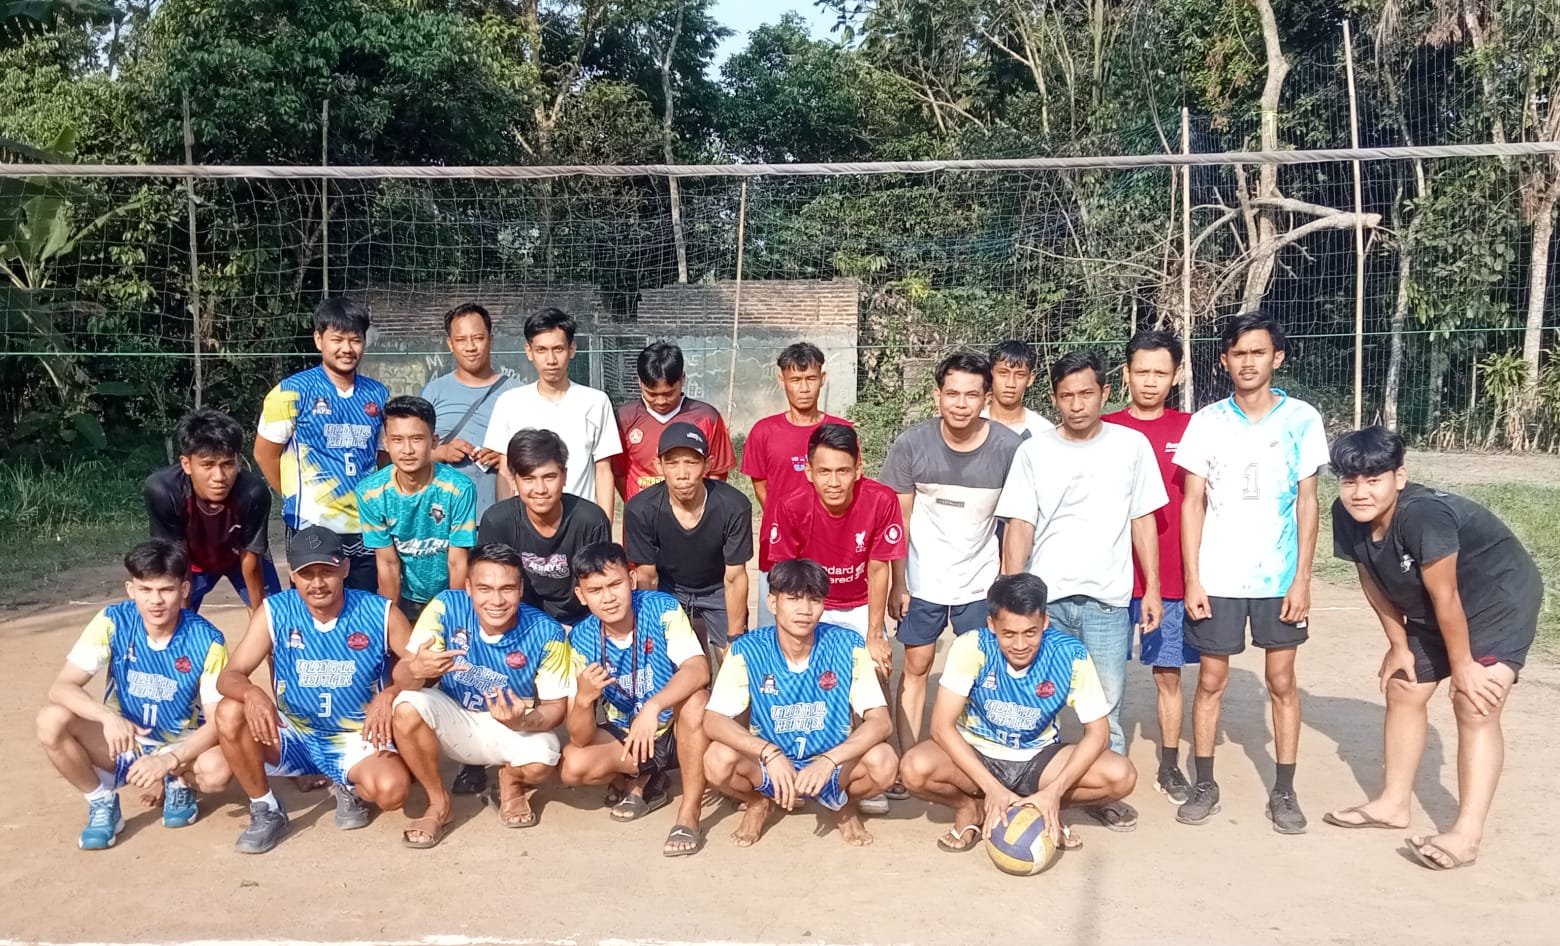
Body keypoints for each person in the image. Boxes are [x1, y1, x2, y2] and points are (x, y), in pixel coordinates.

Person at [1324, 427, 1542, 871]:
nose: (1360, 492)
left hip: (1496, 599)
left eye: (1373, 480)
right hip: (1436, 605)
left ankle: (1467, 833)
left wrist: (1462, 666)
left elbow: (1449, 597)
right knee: (1403, 687)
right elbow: (1370, 576)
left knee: (1474, 703)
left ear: (1399, 477)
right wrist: (1398, 644)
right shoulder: (1346, 514)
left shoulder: (1423, 516)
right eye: (1350, 481)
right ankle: (1392, 804)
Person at [996, 349, 1166, 833]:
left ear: (1105, 393)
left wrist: (1150, 587)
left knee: (1106, 703)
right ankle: (1024, 780)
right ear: (1054, 398)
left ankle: (1104, 791)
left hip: (1107, 602)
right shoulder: (1035, 451)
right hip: (1046, 603)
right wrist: (1012, 590)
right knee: (1033, 695)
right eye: (1067, 396)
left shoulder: (1131, 447)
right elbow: (1020, 524)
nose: (1077, 404)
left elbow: (1143, 520)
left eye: (1086, 393)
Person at [1175, 311, 1328, 835]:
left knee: (1281, 680)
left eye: (1257, 352)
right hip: (1218, 576)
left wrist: (1302, 579)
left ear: (1276, 358)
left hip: (1278, 577)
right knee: (1211, 680)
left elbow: (1309, 503)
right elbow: (1191, 503)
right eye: (1238, 354)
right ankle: (1204, 782)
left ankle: (1284, 790)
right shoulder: (1207, 422)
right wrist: (1193, 578)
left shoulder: (1302, 419)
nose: (1247, 362)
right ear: (1225, 360)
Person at [899, 573, 1137, 853]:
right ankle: (969, 808)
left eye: (1030, 632)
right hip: (977, 753)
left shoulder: (1070, 654)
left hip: (1039, 759)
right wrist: (991, 787)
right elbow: (941, 727)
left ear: (1045, 622)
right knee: (913, 768)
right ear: (991, 624)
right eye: (1009, 634)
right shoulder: (971, 646)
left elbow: (1098, 732)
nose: (1020, 645)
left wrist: (1055, 792)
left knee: (1122, 775)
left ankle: (1040, 807)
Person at [214, 526, 413, 854]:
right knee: (229, 709)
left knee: (393, 791)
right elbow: (230, 676)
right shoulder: (275, 611)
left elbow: (416, 668)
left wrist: (389, 693)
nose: (317, 583)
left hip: (354, 736)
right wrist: (251, 693)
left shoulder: (381, 612)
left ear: (345, 569)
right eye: (307, 574)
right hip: (292, 733)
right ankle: (266, 809)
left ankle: (347, 785)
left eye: (327, 572)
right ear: (293, 575)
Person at [880, 351, 1021, 795]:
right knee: (917, 665)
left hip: (980, 582)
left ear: (986, 398)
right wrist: (898, 583)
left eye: (972, 395)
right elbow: (895, 522)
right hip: (922, 580)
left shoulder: (1010, 449)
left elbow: (1017, 521)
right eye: (952, 393)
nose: (961, 403)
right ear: (937, 395)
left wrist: (1008, 582)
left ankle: (975, 760)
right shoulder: (911, 445)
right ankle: (906, 760)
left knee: (979, 670)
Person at [37, 540, 232, 849]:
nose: (156, 601)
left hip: (181, 746)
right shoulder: (113, 621)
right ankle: (101, 802)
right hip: (125, 742)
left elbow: (220, 721)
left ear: (184, 590)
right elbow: (61, 687)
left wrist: (171, 760)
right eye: (145, 590)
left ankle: (178, 782)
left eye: (166, 590)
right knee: (51, 720)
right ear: (131, 589)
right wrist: (106, 717)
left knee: (218, 770)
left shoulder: (207, 640)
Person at [703, 558, 898, 847]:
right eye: (793, 599)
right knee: (716, 760)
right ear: (772, 602)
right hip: (770, 764)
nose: (805, 610)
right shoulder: (747, 649)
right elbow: (713, 720)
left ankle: (841, 802)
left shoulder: (848, 645)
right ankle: (758, 802)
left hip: (831, 765)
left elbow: (880, 722)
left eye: (815, 600)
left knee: (885, 762)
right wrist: (768, 752)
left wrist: (830, 761)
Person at [391, 544, 574, 846]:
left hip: (510, 726)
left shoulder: (547, 632)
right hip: (455, 717)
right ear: (468, 588)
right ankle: (438, 803)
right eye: (484, 589)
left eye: (507, 589)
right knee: (406, 705)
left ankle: (511, 782)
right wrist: (417, 668)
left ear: (521, 588)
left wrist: (524, 721)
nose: (496, 600)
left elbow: (556, 708)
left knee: (544, 758)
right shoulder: (445, 607)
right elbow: (401, 679)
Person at [465, 428, 610, 794]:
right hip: (521, 618)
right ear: (513, 479)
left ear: (564, 473)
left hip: (578, 618)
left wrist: (585, 632)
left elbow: (599, 585)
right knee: (483, 653)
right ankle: (476, 755)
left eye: (549, 476)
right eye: (528, 478)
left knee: (601, 663)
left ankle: (603, 747)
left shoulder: (589, 519)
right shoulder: (498, 520)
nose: (540, 488)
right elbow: (491, 584)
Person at [561, 543, 712, 857]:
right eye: (596, 590)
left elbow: (698, 670)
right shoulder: (580, 638)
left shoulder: (661, 608)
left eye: (615, 584)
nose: (608, 597)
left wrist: (654, 706)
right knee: (572, 765)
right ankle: (645, 776)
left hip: (672, 727)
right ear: (581, 595)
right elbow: (579, 736)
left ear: (631, 580)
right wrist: (584, 701)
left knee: (696, 700)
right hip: (628, 736)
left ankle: (689, 812)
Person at [1102, 329, 1198, 803]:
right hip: (1110, 577)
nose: (1151, 381)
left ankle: (1168, 764)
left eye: (1161, 372)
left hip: (1173, 579)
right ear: (1125, 375)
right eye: (1142, 372)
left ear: (1176, 375)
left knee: (1168, 674)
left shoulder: (1193, 430)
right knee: (1099, 677)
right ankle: (1096, 759)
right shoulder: (1103, 428)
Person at [255, 297, 388, 591]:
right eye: (337, 339)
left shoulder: (378, 394)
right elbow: (264, 454)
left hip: (365, 526)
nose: (347, 348)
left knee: (361, 610)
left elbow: (381, 458)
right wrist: (293, 497)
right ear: (319, 339)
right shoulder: (291, 392)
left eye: (355, 340)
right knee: (314, 606)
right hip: (312, 524)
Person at [741, 342, 852, 626]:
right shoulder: (763, 432)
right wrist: (792, 524)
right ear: (782, 380)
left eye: (811, 379)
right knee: (776, 630)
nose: (804, 388)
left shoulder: (841, 430)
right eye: (796, 380)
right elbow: (761, 488)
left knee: (826, 631)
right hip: (778, 548)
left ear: (822, 379)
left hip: (830, 549)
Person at [623, 422, 753, 664]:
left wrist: (735, 639)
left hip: (718, 589)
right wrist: (651, 634)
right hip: (668, 589)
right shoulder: (640, 509)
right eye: (672, 463)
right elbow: (647, 577)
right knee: (665, 663)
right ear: (658, 466)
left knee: (738, 665)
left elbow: (735, 577)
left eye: (692, 462)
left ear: (708, 465)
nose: (682, 474)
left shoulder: (734, 506)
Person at [484, 308, 621, 516]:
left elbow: (603, 471)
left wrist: (603, 530)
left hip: (580, 526)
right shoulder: (509, 403)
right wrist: (509, 527)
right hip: (526, 527)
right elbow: (505, 471)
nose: (551, 360)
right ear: (529, 351)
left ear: (572, 349)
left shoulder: (596, 402)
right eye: (541, 350)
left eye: (558, 349)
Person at [355, 395, 478, 624]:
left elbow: (458, 561)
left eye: (417, 439)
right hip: (405, 598)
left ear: (434, 442)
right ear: (387, 443)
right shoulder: (369, 493)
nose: (408, 450)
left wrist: (457, 617)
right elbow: (388, 564)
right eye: (398, 440)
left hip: (448, 594)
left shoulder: (459, 489)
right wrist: (390, 620)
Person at [144, 408, 280, 612]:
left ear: (238, 461)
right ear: (186, 464)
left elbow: (250, 557)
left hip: (239, 557)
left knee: (273, 616)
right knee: (172, 616)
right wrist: (181, 616)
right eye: (207, 465)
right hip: (190, 561)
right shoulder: (163, 491)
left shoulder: (253, 493)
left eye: (227, 464)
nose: (219, 477)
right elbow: (176, 557)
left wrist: (263, 616)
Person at [420, 302, 516, 518]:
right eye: (461, 340)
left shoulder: (516, 393)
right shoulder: (432, 392)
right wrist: (442, 452)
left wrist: (505, 456)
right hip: (442, 518)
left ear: (491, 340)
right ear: (450, 344)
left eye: (478, 338)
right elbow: (409, 454)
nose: (470, 347)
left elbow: (535, 455)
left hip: (499, 518)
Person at [613, 341, 736, 502]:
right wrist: (638, 505)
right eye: (651, 394)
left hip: (693, 515)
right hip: (642, 519)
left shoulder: (707, 417)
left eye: (669, 393)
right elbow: (619, 473)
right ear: (640, 382)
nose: (661, 401)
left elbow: (717, 474)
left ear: (683, 379)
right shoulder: (623, 419)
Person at [985, 339, 1049, 439]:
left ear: (1030, 379)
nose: (1010, 383)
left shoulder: (1042, 432)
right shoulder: (972, 424)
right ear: (990, 374)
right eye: (1003, 373)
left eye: (1020, 375)